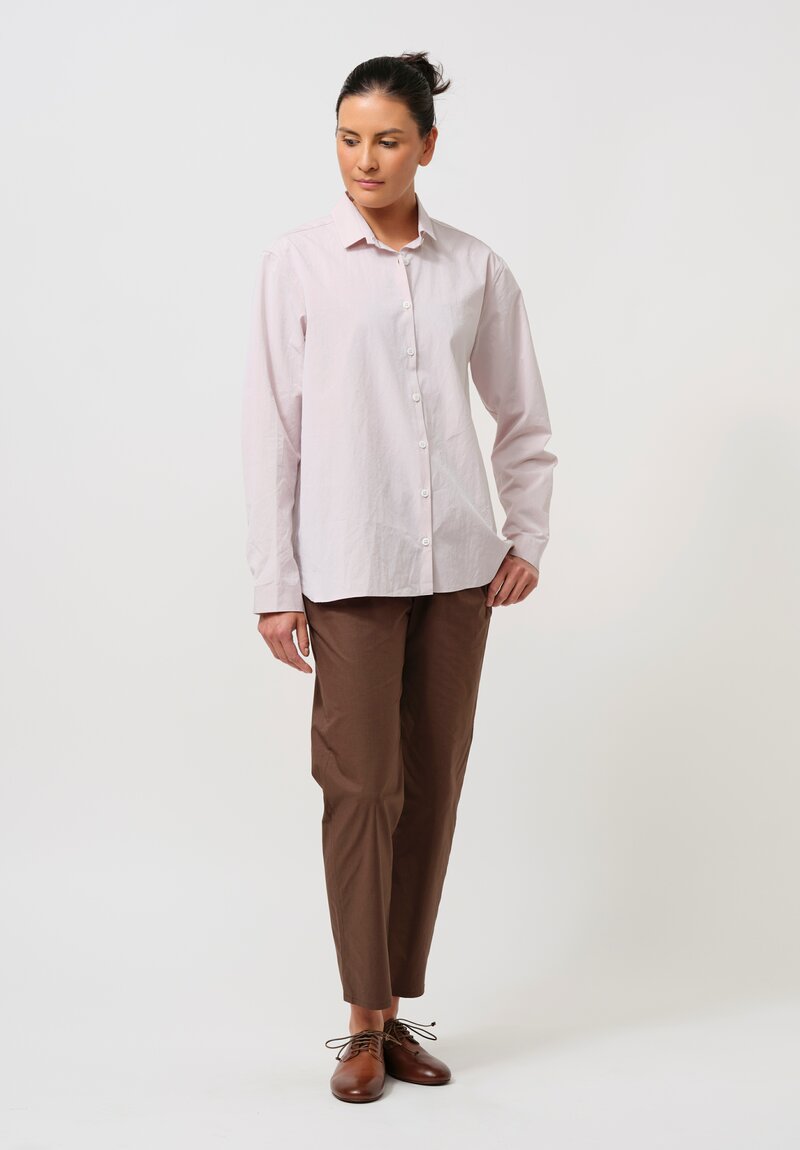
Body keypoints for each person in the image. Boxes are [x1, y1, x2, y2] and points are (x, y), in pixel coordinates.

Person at [241, 51, 557, 1103]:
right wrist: (275, 581)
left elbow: (522, 415)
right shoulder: (296, 264)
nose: (364, 160)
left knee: (429, 785)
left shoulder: (475, 269)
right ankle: (359, 1024)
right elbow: (271, 429)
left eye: (385, 140)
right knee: (361, 788)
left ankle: (391, 1013)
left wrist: (525, 534)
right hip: (349, 562)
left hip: (459, 567)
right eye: (347, 138)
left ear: (427, 144)